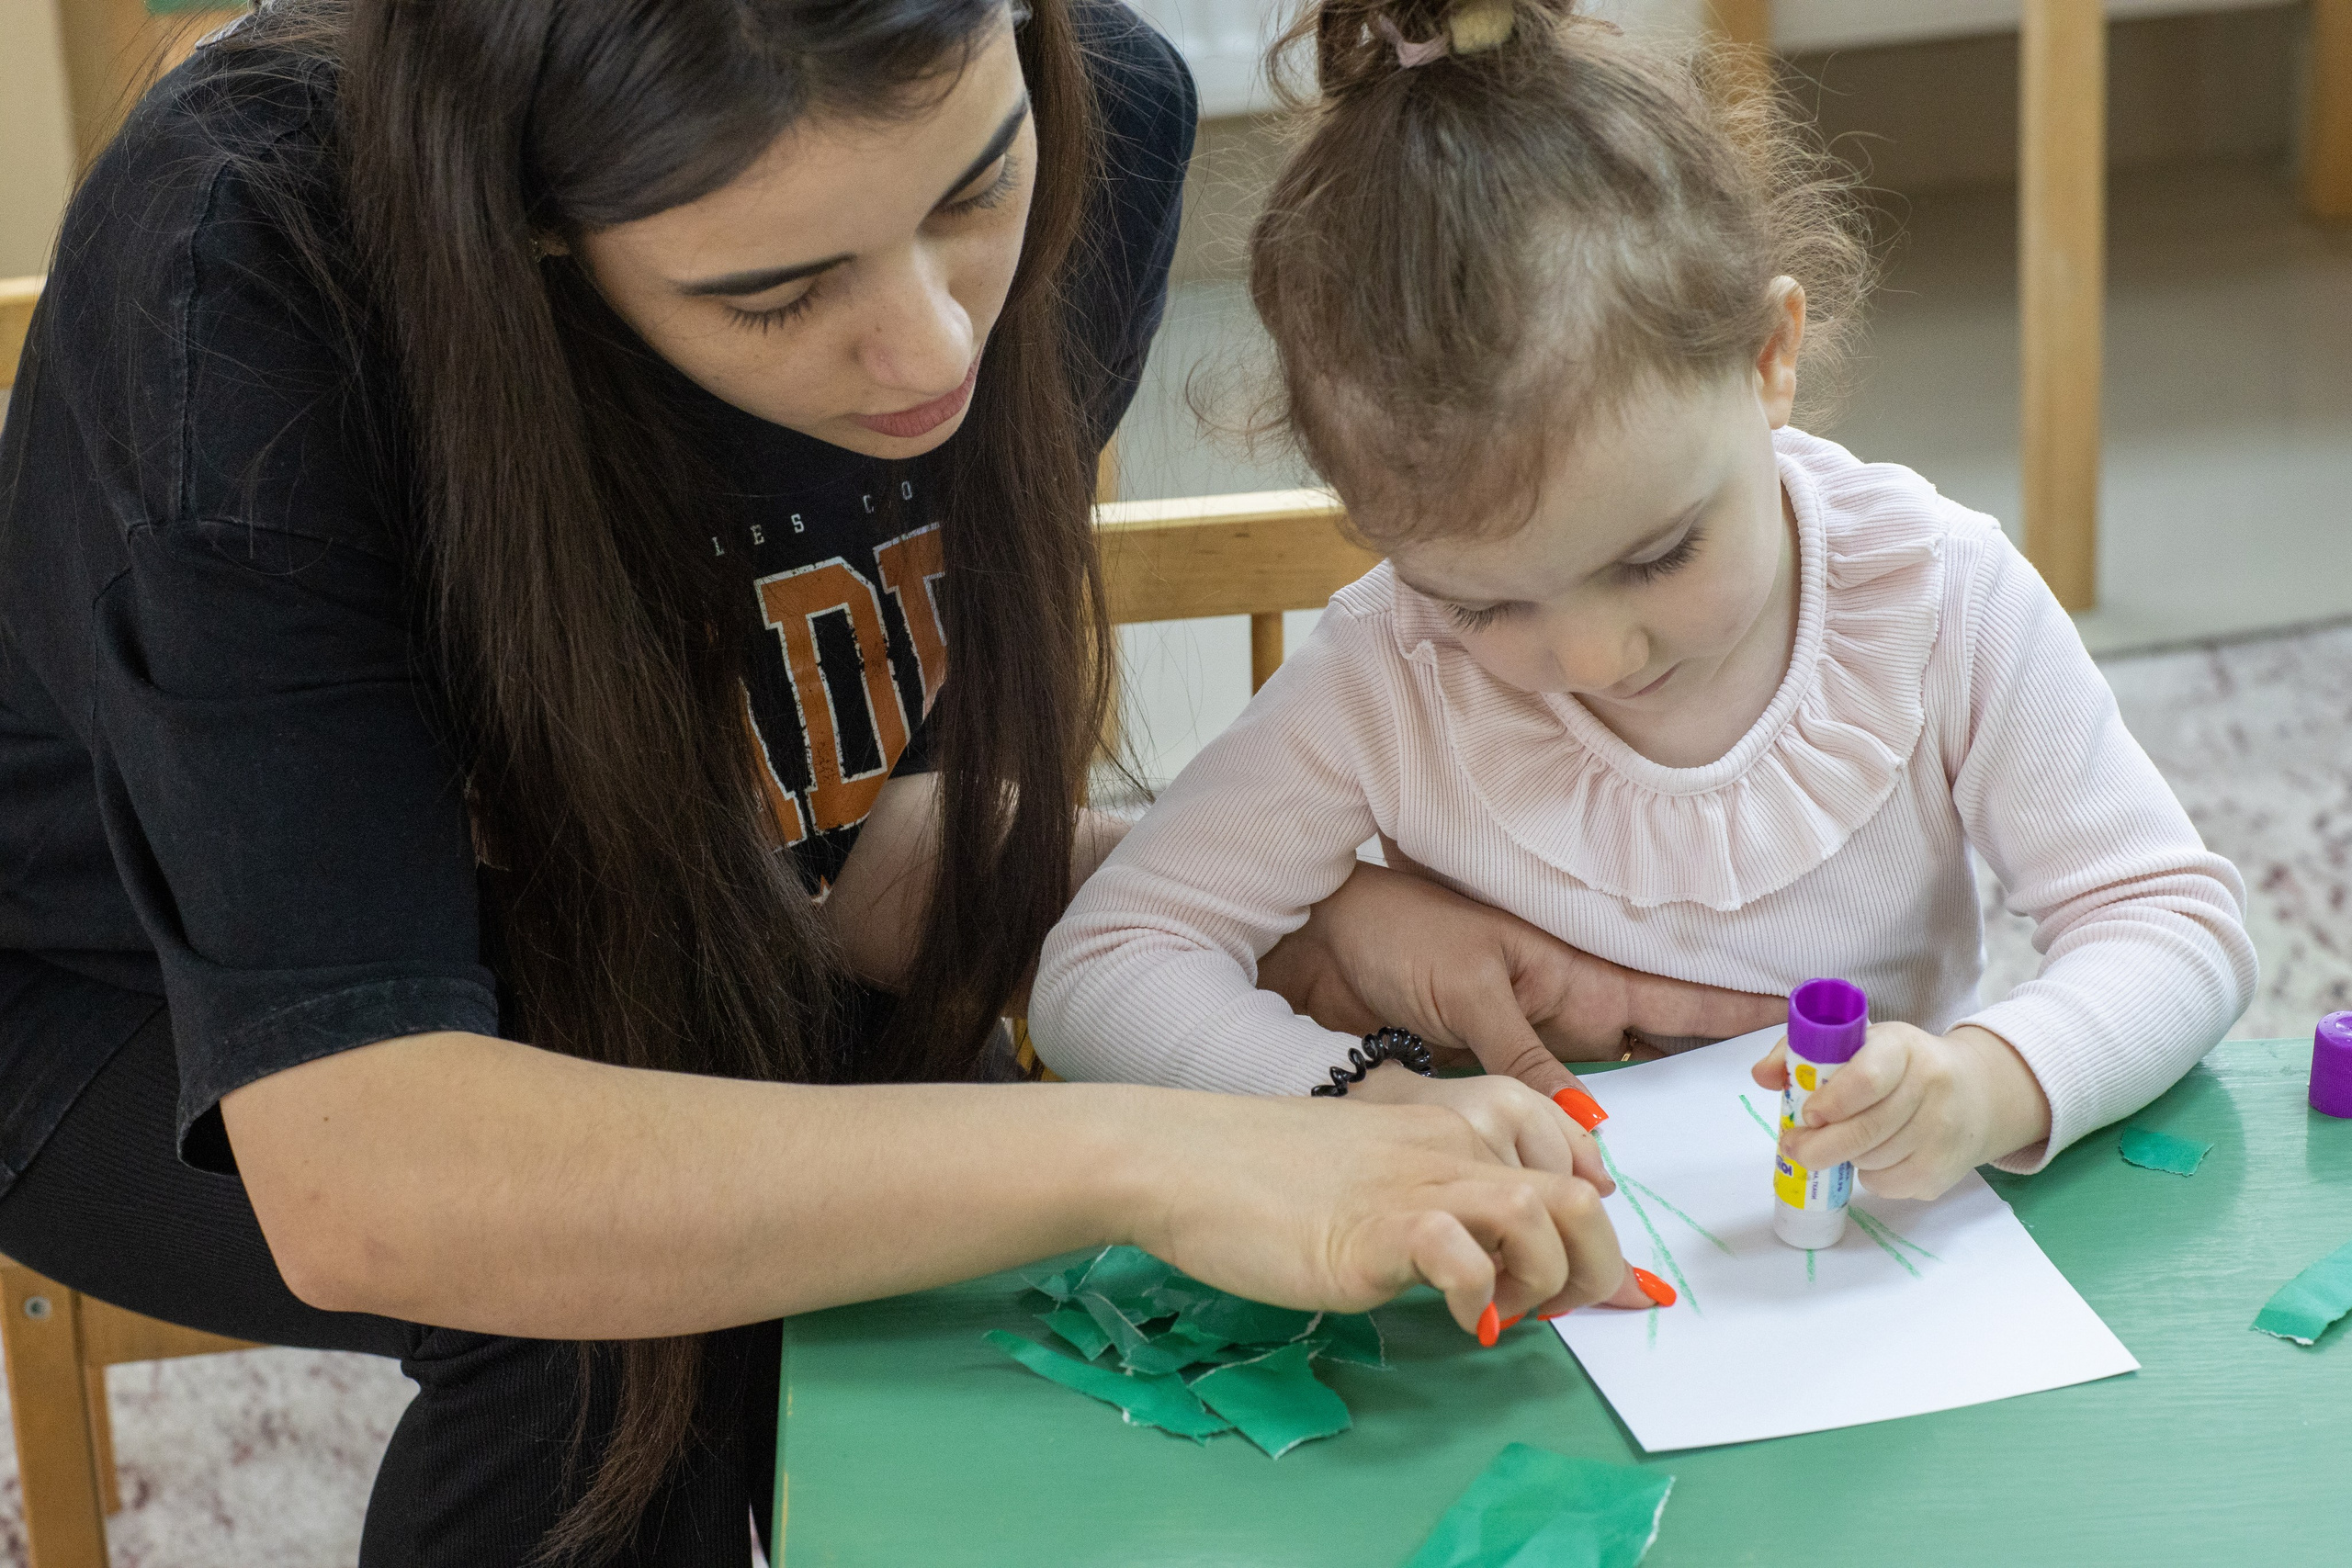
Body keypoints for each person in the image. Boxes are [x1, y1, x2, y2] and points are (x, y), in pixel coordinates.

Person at [0, 0, 1783, 1560]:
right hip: (112, 987)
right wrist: (1146, 1152)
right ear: (532, 237)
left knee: (1068, 1290)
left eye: (969, 194)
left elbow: (860, 853)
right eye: (774, 291)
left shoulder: (1106, 109)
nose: (934, 351)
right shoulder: (243, 274)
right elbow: (371, 1171)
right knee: (625, 1329)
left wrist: (1279, 915)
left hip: (672, 909)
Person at [1031, 0, 2259, 1206]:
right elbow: (1104, 970)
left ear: (1770, 358)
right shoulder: (1390, 671)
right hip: (1525, 1315)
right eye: (1482, 605)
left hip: (1871, 1269)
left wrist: (1990, 1083)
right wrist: (1364, 1102)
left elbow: (2172, 921)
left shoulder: (1934, 599)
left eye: (1659, 556)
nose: (1594, 656)